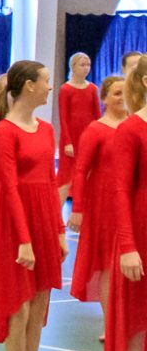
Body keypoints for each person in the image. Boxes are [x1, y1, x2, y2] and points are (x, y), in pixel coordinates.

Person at [0, 61, 65, 351]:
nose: (49, 87)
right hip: (15, 225)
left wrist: (57, 230)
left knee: (40, 306)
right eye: (46, 82)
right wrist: (24, 238)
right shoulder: (3, 131)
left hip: (44, 217)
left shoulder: (46, 130)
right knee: (20, 307)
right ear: (28, 86)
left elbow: (51, 180)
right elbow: (9, 186)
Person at [103, 57, 147, 351]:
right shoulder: (130, 130)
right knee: (132, 329)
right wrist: (128, 247)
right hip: (139, 239)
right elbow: (119, 191)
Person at [70, 75, 127, 308]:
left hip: (131, 202)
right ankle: (110, 323)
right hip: (104, 205)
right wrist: (78, 209)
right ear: (104, 98)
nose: (122, 98)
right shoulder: (95, 130)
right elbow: (81, 171)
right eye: (116, 93)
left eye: (125, 92)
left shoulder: (137, 126)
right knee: (107, 265)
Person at [57, 52, 98, 198]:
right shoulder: (65, 89)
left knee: (87, 171)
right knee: (66, 176)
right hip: (71, 135)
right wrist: (67, 142)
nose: (86, 68)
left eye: (88, 65)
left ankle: (82, 214)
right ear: (73, 67)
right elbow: (63, 117)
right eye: (82, 65)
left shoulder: (92, 88)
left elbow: (97, 115)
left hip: (87, 134)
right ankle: (57, 216)